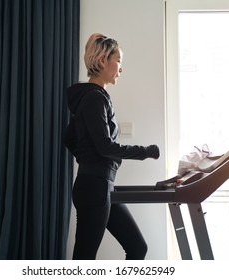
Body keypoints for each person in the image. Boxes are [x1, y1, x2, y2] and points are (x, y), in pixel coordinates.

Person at [64, 33, 160, 260]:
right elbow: (106, 147)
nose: (121, 68)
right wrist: (146, 152)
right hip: (94, 187)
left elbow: (69, 139)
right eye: (119, 61)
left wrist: (89, 159)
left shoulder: (90, 98)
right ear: (102, 62)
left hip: (99, 185)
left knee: (137, 248)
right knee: (84, 260)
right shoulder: (95, 98)